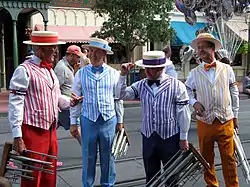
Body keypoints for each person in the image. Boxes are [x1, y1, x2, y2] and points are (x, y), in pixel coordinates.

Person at [8, 31, 82, 187]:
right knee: (32, 177)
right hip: (33, 131)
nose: (56, 51)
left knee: (50, 175)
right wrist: (17, 136)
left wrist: (71, 102)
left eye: (55, 47)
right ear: (39, 50)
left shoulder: (50, 71)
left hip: (50, 131)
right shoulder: (24, 70)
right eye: (52, 47)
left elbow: (56, 98)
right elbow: (15, 104)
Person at [117, 51, 190, 185]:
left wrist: (183, 137)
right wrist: (122, 75)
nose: (148, 72)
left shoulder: (176, 85)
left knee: (172, 175)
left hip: (170, 137)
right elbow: (121, 95)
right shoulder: (141, 84)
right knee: (151, 175)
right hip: (149, 136)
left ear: (161, 68)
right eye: (147, 68)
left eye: (153, 69)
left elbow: (183, 113)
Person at [185, 33, 239, 187]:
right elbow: (186, 90)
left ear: (212, 48)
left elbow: (234, 92)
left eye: (203, 47)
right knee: (206, 159)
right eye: (198, 48)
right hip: (205, 122)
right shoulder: (194, 73)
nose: (200, 50)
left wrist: (235, 114)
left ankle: (232, 185)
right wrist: (194, 103)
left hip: (225, 120)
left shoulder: (227, 69)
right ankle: (212, 185)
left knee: (229, 158)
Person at [70, 38, 124, 187]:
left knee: (109, 157)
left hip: (108, 119)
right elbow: (74, 99)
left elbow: (118, 99)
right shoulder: (81, 74)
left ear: (104, 53)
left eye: (96, 51)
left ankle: (108, 184)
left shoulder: (114, 73)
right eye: (90, 51)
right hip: (88, 119)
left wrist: (120, 121)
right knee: (88, 156)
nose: (92, 55)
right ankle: (87, 185)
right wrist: (73, 122)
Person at [54, 45, 83, 145]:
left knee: (51, 127)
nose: (78, 59)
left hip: (69, 103)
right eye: (77, 56)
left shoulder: (69, 67)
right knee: (76, 127)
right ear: (70, 55)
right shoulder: (61, 68)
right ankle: (86, 149)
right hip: (65, 105)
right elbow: (56, 87)